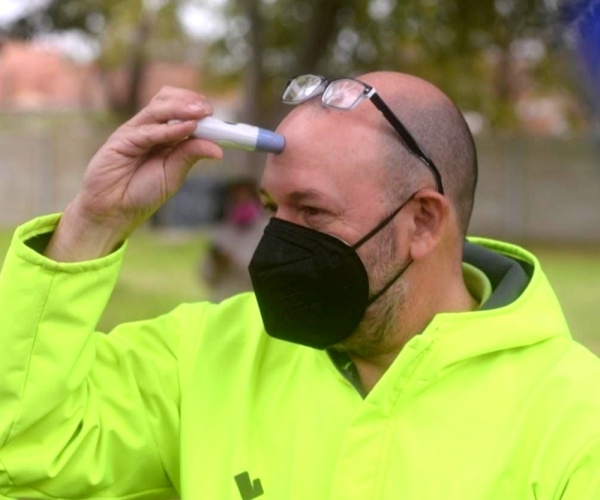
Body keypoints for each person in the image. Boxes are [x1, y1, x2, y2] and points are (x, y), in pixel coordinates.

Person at [1, 72, 599, 500]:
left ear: (423, 221)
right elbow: (25, 453)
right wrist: (91, 224)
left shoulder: (573, 417)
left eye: (312, 213)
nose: (280, 243)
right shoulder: (204, 356)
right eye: (271, 208)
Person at [200, 178, 267, 302]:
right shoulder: (223, 232)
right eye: (236, 201)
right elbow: (206, 276)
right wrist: (217, 265)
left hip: (253, 305)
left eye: (245, 200)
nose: (241, 204)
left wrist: (234, 262)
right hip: (223, 302)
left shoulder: (266, 232)